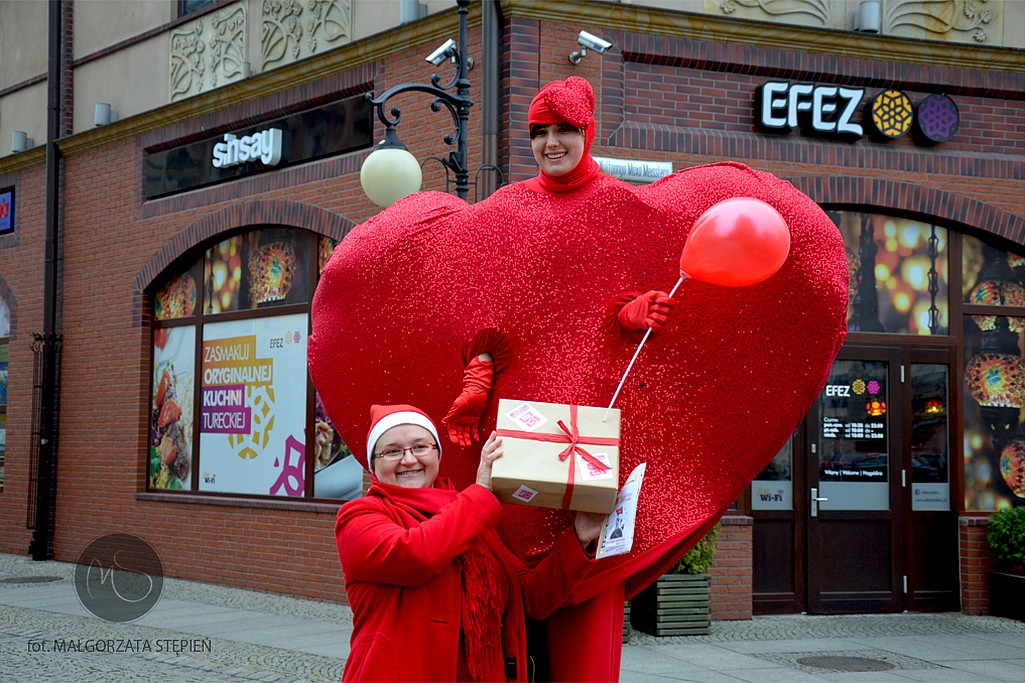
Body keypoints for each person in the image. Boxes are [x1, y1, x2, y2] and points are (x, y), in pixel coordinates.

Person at [440, 76, 682, 682]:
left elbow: (637, 297)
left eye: (565, 130)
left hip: (593, 442)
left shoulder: (625, 208)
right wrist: (476, 378)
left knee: (585, 617)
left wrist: (630, 314)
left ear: (587, 132)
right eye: (540, 132)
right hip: (515, 437)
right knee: (499, 626)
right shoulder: (507, 210)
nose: (551, 142)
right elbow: (481, 311)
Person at [334, 404, 604, 682]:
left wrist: (579, 536)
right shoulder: (360, 515)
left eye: (420, 447)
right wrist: (481, 493)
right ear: (373, 465)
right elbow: (415, 554)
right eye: (392, 451)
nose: (409, 460)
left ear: (437, 454)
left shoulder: (469, 515)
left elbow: (529, 598)